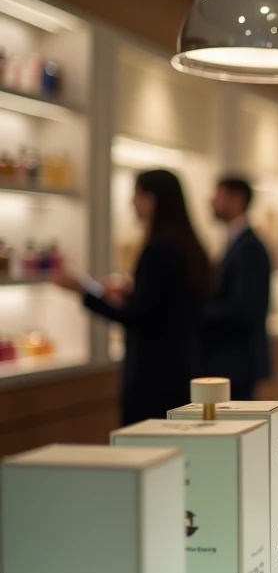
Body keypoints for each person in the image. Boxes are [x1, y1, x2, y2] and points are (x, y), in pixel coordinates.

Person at [54, 169, 210, 426]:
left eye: (136, 195)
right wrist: (134, 292)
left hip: (153, 377)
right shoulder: (187, 246)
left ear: (152, 199)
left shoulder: (158, 249)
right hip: (184, 368)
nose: (132, 203)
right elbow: (170, 305)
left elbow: (139, 318)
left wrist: (83, 290)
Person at [202, 176, 272, 401]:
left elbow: (243, 307)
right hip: (232, 357)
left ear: (237, 200)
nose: (212, 202)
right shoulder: (236, 242)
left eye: (218, 195)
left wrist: (196, 313)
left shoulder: (249, 247)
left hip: (237, 359)